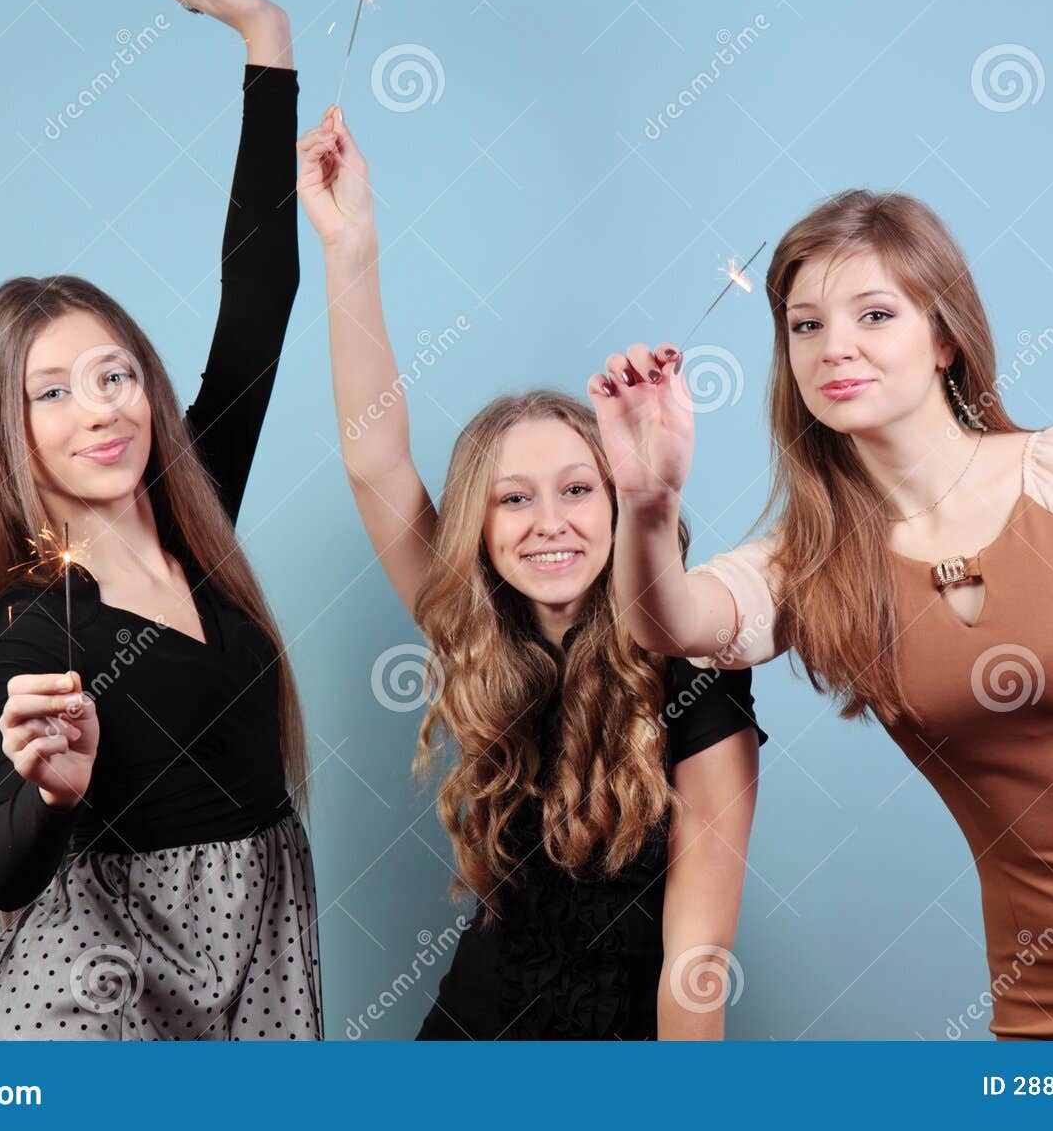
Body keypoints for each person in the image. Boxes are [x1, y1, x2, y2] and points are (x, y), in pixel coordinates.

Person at [593, 189, 1053, 1039]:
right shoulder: (806, 560)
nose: (834, 346)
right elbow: (668, 622)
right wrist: (648, 503)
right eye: (805, 325)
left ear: (944, 336)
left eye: (874, 314)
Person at [295, 108, 765, 1039]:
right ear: (480, 530)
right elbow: (374, 459)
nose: (549, 522)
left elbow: (697, 961)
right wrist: (351, 251)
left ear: (620, 500)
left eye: (578, 489)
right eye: (513, 499)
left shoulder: (698, 664)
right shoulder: (477, 626)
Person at [0, 0, 320, 1040]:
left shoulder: (199, 515)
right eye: (52, 393)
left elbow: (260, 301)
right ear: (8, 433)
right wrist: (50, 793)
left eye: (114, 374)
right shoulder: (33, 624)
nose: (100, 409)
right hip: (97, 1003)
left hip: (257, 962)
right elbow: (2, 868)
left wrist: (267, 39)